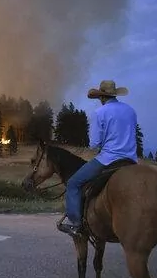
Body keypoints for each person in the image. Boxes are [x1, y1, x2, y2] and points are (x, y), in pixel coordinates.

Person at [58, 80, 137, 237]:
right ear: (114, 94)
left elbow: (95, 143)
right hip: (131, 160)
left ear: (101, 97)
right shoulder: (130, 110)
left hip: (108, 159)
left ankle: (76, 224)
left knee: (73, 184)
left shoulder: (100, 113)